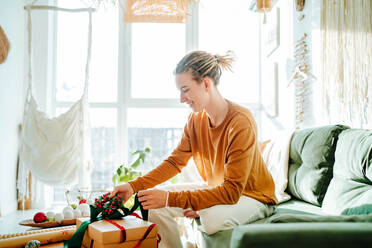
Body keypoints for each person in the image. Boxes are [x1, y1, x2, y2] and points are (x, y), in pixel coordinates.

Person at [110, 50, 277, 248]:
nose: (182, 98)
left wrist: (181, 201)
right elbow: (174, 163)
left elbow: (232, 192)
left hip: (253, 197)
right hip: (217, 189)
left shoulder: (240, 122)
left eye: (185, 89)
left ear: (206, 84)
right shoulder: (195, 120)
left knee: (210, 220)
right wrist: (134, 186)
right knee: (153, 206)